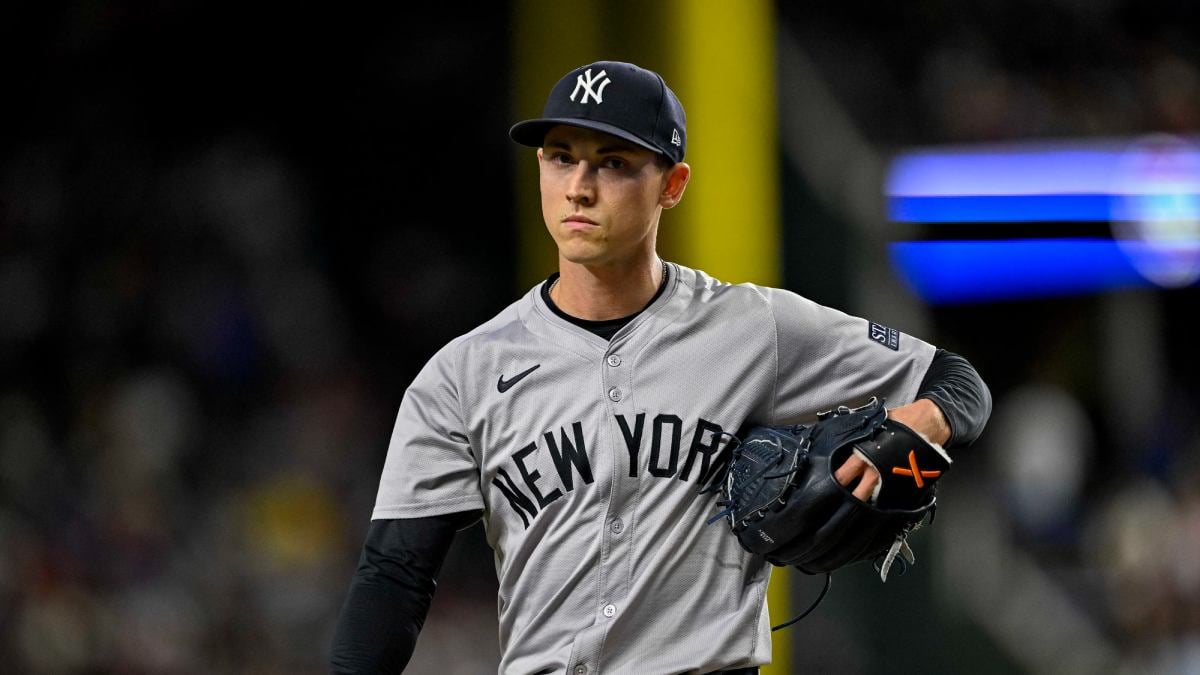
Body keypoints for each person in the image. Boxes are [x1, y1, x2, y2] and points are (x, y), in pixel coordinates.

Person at [330, 60, 991, 674]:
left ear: (671, 185)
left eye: (613, 163)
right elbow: (394, 572)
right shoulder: (462, 374)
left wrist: (916, 422)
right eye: (561, 158)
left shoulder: (753, 327)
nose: (580, 188)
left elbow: (958, 382)